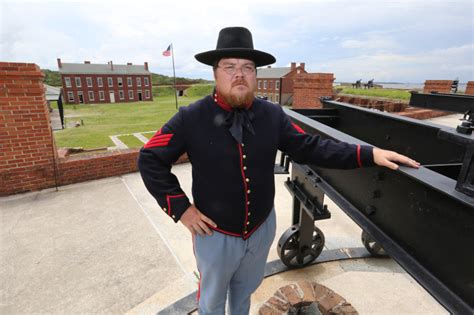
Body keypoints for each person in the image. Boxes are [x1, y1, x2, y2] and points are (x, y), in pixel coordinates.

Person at [138, 26, 420, 315]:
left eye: (248, 67)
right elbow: (149, 159)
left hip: (261, 228)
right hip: (214, 234)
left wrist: (369, 153)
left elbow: (311, 147)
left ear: (255, 75)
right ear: (215, 73)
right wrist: (182, 209)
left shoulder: (271, 114)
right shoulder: (190, 117)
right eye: (230, 67)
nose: (239, 74)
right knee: (211, 302)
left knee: (244, 292)